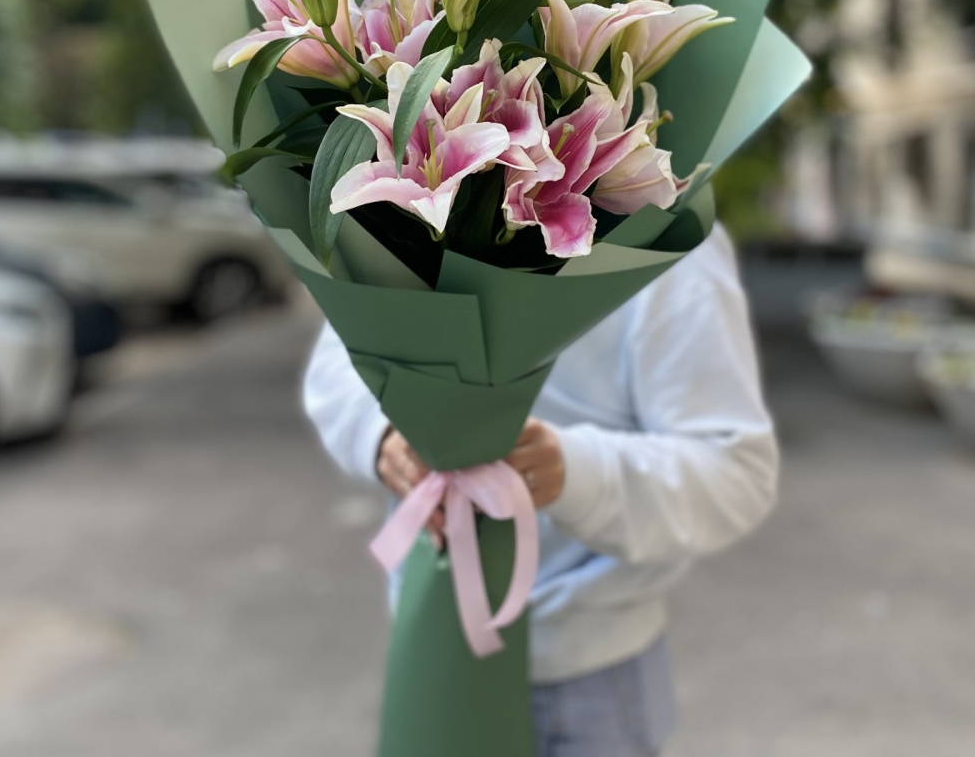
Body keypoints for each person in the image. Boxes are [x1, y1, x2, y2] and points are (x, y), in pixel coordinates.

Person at [303, 222, 778, 757]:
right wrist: (382, 434)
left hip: (587, 680)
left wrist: (572, 471)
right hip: (431, 637)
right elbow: (339, 352)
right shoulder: (400, 212)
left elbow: (735, 471)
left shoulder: (671, 236)